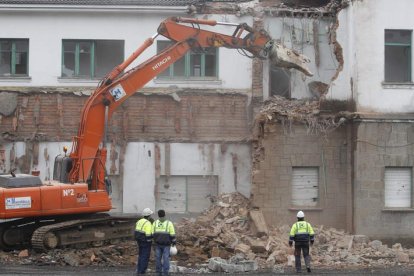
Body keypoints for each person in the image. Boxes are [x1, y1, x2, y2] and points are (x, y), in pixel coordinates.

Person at [152, 209, 176, 276]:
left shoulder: (155, 223)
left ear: (158, 215)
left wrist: (154, 241)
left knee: (158, 259)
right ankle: (165, 273)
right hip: (166, 244)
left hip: (157, 244)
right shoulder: (169, 223)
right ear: (164, 215)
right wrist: (174, 241)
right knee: (166, 259)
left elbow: (152, 233)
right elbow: (172, 234)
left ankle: (158, 273)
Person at [134, 208, 154, 274]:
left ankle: (139, 269)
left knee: (141, 254)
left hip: (139, 240)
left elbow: (136, 229)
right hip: (145, 241)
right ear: (149, 215)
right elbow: (148, 234)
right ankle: (142, 271)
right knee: (145, 255)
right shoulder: (148, 223)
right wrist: (151, 240)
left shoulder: (139, 221)